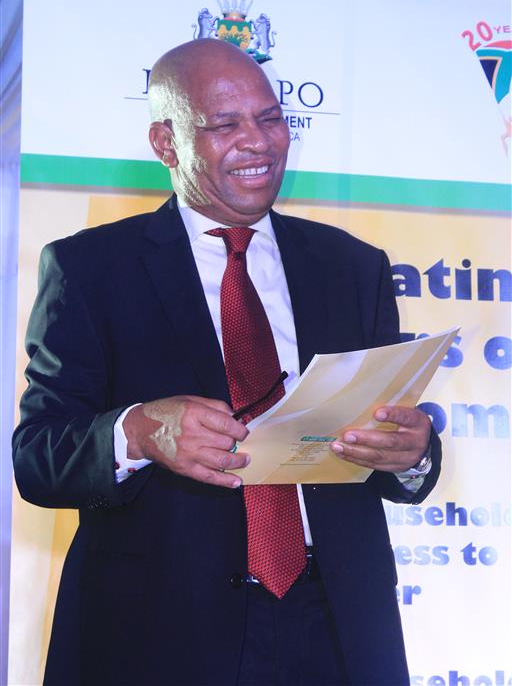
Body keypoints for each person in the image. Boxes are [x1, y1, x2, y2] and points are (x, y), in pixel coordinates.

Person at [13, 38, 440, 686]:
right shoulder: (90, 268)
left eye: (270, 118)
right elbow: (37, 459)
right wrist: (138, 431)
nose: (258, 142)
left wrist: (412, 454)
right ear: (166, 143)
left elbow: (386, 442)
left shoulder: (353, 267)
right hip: (158, 636)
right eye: (225, 124)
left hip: (337, 630)